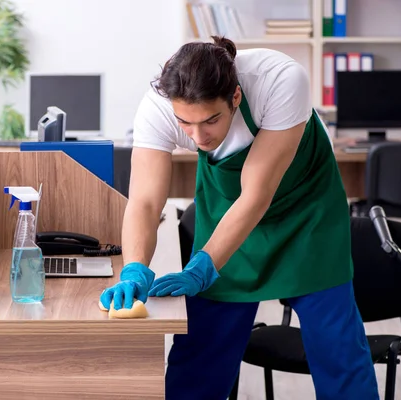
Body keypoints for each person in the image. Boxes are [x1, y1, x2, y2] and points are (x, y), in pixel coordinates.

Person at [99, 37, 380, 400]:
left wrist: (203, 265)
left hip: (307, 216)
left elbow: (257, 193)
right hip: (229, 215)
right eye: (185, 123)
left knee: (337, 349)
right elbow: (145, 202)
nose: (199, 137)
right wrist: (134, 267)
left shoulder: (279, 80)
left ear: (235, 97)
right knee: (202, 352)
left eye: (210, 121)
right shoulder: (156, 106)